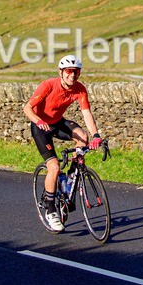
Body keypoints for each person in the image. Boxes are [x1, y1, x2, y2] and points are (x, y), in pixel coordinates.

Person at [24, 54, 103, 232]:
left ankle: (71, 177)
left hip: (57, 122)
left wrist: (96, 135)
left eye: (76, 72)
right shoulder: (48, 85)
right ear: (61, 72)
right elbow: (27, 108)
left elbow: (86, 114)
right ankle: (51, 211)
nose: (72, 75)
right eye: (69, 71)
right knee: (54, 168)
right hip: (40, 125)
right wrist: (38, 121)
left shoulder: (79, 89)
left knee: (82, 136)